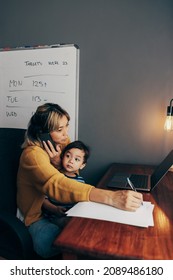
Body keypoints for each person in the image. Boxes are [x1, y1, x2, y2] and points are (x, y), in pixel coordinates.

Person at [17, 103, 143, 259]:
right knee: (68, 242)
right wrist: (111, 197)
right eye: (59, 130)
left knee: (92, 230)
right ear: (43, 134)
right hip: (37, 216)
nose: (66, 135)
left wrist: (58, 162)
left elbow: (73, 171)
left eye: (66, 127)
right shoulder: (32, 155)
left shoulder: (61, 143)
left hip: (58, 209)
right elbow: (58, 185)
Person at [42, 140, 90, 225]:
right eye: (68, 156)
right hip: (54, 215)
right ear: (62, 156)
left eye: (76, 159)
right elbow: (43, 200)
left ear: (82, 165)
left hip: (71, 214)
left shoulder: (81, 181)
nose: (71, 161)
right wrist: (55, 209)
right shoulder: (54, 176)